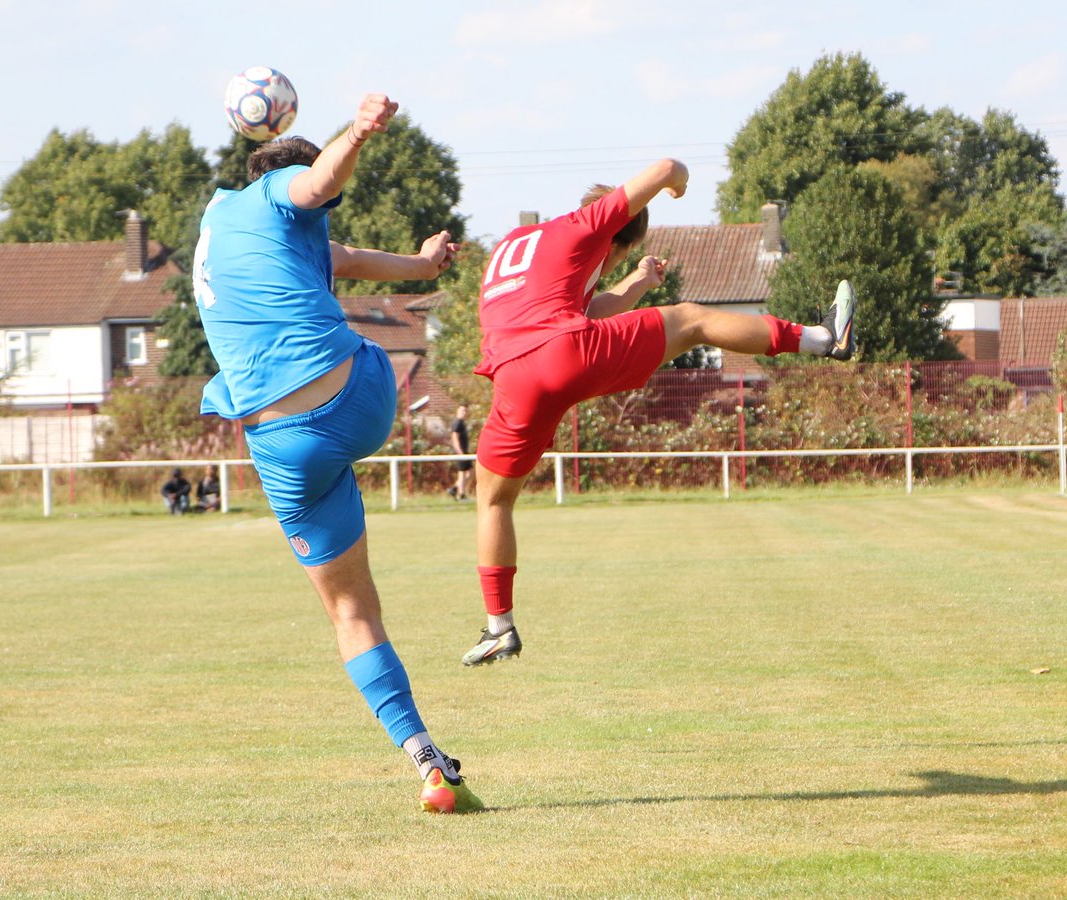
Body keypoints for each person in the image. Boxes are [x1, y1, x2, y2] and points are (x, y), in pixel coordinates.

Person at [193, 93, 482, 813]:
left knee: (351, 611)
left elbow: (347, 257)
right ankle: (433, 763)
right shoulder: (276, 192)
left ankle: (420, 756)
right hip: (357, 400)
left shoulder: (223, 225)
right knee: (352, 337)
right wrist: (358, 131)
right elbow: (317, 185)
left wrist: (420, 267)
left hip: (279, 445)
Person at [460, 158, 856, 667]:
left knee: (493, 501)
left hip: (513, 376)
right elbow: (668, 166)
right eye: (622, 253)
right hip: (564, 354)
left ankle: (499, 627)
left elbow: (575, 307)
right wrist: (677, 184)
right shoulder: (591, 225)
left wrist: (637, 284)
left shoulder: (513, 246)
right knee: (691, 320)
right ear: (614, 239)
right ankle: (824, 339)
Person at [446, 404, 473, 501]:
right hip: (460, 453)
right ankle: (461, 495)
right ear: (457, 412)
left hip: (465, 452)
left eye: (465, 411)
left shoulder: (462, 423)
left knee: (470, 473)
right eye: (462, 411)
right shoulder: (457, 423)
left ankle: (454, 489)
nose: (464, 413)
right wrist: (460, 452)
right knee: (462, 474)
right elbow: (455, 438)